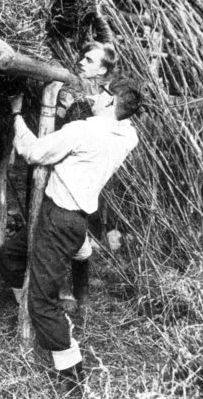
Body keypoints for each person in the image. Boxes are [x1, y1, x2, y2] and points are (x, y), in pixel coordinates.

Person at [0, 76, 142, 393]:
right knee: (9, 254)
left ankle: (73, 381)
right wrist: (73, 113)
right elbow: (92, 133)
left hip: (59, 220)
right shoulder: (128, 135)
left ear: (108, 101)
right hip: (74, 221)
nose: (95, 94)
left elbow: (33, 152)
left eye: (101, 92)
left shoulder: (82, 131)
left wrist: (16, 114)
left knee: (42, 304)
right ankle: (43, 318)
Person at [57, 41, 118, 309]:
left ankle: (81, 293)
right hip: (66, 169)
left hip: (91, 173)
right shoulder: (70, 85)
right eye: (83, 57)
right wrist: (65, 108)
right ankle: (63, 289)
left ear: (103, 70)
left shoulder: (109, 98)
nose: (81, 62)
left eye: (89, 60)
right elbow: (59, 127)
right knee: (62, 228)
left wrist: (73, 109)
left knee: (82, 232)